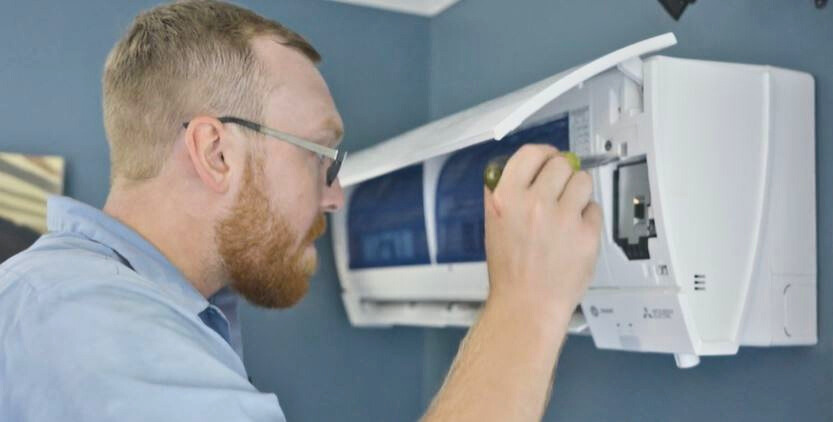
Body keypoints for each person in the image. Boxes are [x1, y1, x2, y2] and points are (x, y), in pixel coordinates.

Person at [0, 1, 601, 421]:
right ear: (217, 153)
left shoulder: (80, 302)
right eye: (321, 155)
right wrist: (528, 303)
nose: (335, 195)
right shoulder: (89, 327)